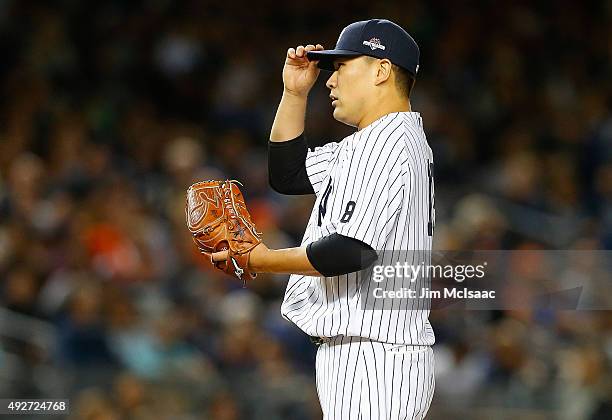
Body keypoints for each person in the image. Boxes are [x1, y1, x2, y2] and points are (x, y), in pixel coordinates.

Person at [213, 18, 435, 419]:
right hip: (363, 353)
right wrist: (294, 94)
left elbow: (351, 251)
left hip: (375, 355)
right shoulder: (370, 142)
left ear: (381, 70)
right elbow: (288, 173)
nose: (330, 82)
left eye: (342, 66)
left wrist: (259, 259)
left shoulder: (390, 144)